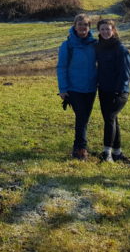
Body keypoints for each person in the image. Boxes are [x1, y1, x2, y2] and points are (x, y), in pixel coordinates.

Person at [56, 13, 97, 159]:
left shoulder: (94, 44)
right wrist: (63, 89)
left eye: (85, 25)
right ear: (75, 26)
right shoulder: (67, 46)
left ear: (89, 27)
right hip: (74, 88)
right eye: (79, 25)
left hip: (91, 88)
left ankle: (79, 146)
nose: (82, 27)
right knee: (81, 117)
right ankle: (80, 149)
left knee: (84, 118)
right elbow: (61, 67)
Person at [94, 19, 130, 164]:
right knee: (112, 120)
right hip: (104, 89)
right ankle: (117, 153)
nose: (105, 32)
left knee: (110, 119)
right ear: (99, 31)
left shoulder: (121, 49)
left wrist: (118, 91)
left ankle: (107, 153)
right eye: (102, 29)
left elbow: (125, 74)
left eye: (108, 29)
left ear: (113, 30)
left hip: (119, 92)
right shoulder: (98, 47)